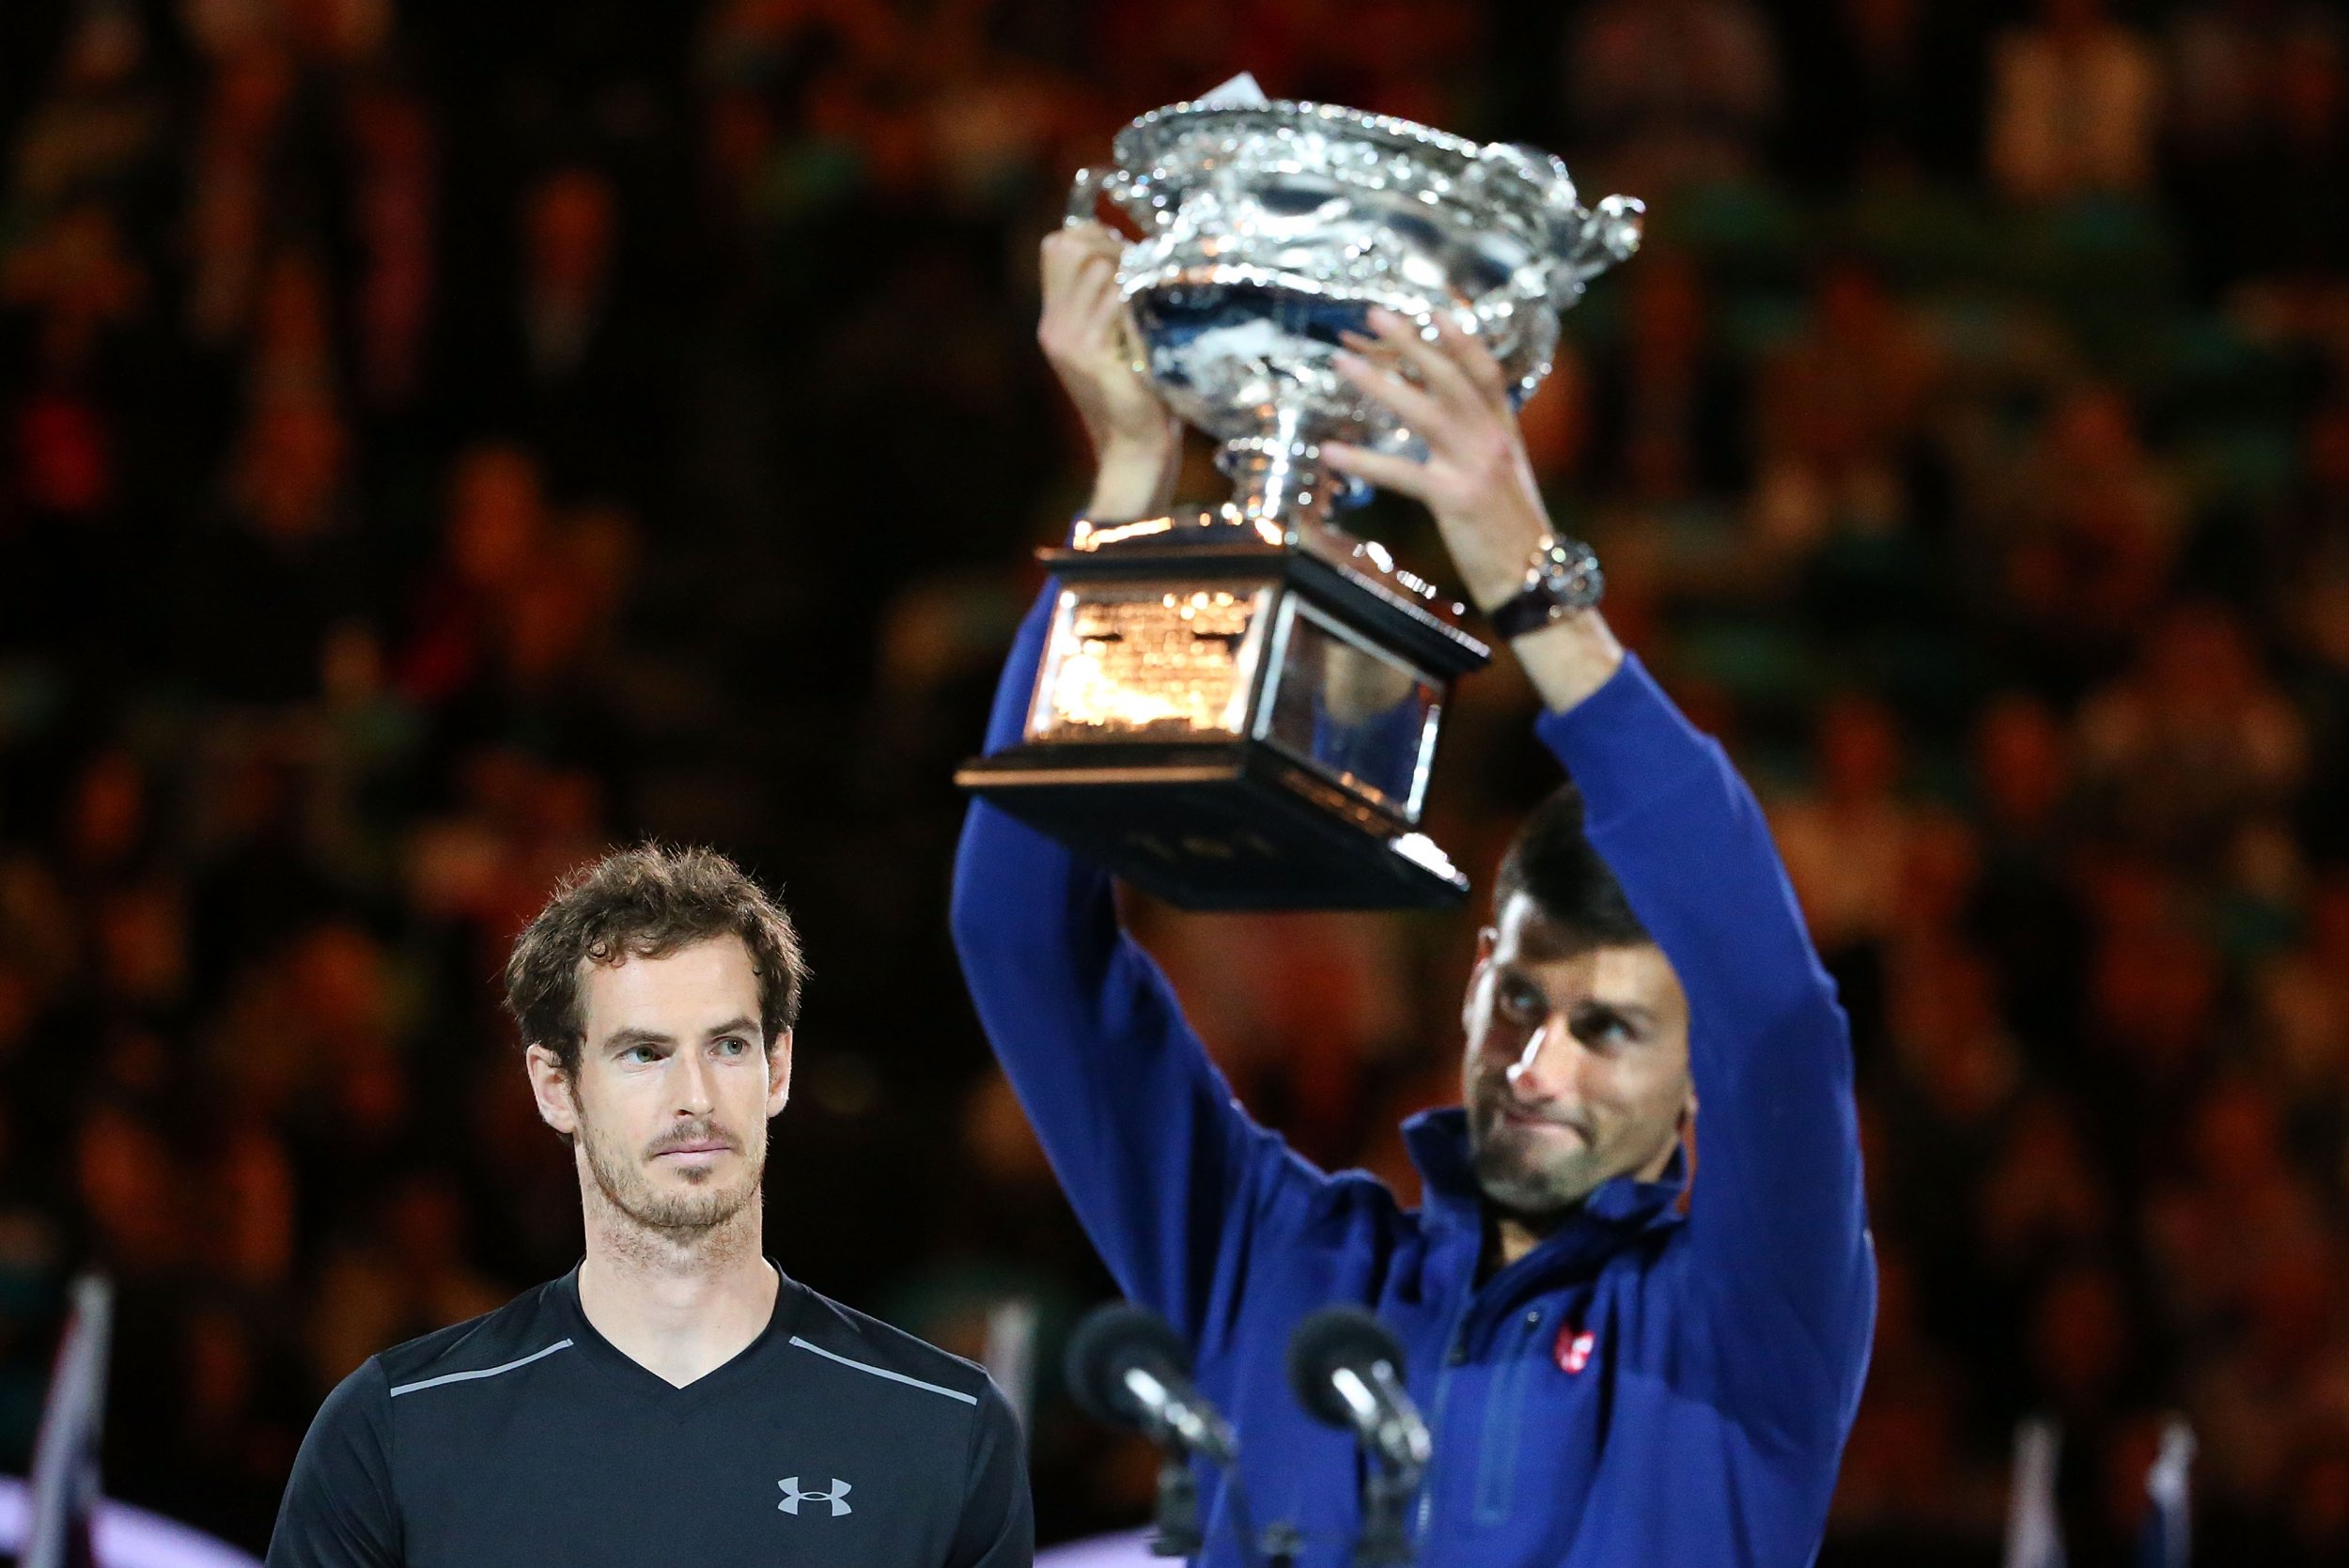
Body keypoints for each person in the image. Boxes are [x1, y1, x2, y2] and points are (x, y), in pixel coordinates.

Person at [950, 225, 1875, 1565]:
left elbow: (1783, 1019)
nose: (1539, 1061)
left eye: (1609, 1026)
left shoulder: (1747, 1329)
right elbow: (1021, 941)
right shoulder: (1278, 1262)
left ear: (1698, 1094)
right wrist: (1133, 503)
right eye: (1519, 998)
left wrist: (1531, 590)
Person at [267, 845, 1032, 1567]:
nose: (695, 1097)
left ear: (778, 1067)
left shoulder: (942, 1425)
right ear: (555, 1085)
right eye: (644, 1052)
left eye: (728, 1045)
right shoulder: (399, 1424)